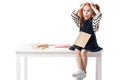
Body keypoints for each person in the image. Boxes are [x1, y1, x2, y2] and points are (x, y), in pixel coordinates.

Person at [69, 2, 103, 79]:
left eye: (88, 11)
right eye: (84, 10)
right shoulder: (81, 22)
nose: (86, 13)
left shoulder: (93, 22)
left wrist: (93, 7)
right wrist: (81, 7)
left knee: (83, 51)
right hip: (81, 41)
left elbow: (99, 15)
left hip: (90, 42)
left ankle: (83, 71)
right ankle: (80, 71)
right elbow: (73, 15)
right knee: (77, 50)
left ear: (92, 13)